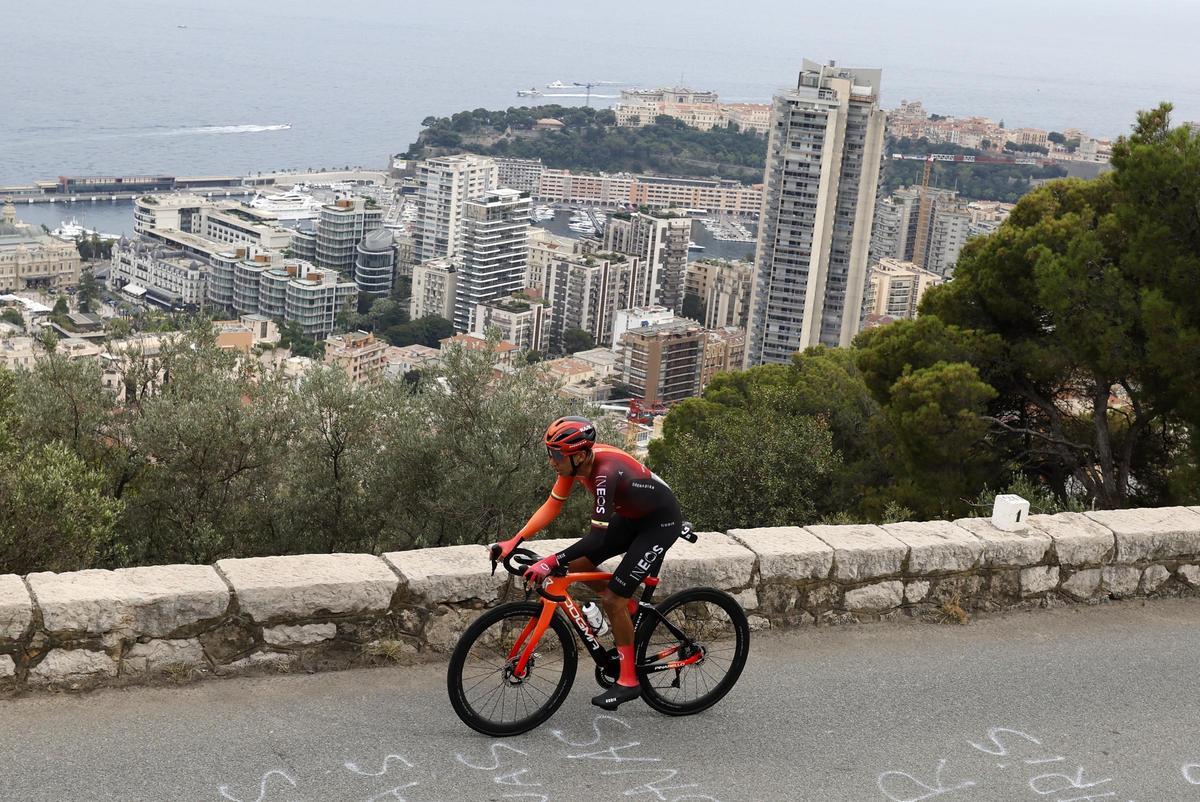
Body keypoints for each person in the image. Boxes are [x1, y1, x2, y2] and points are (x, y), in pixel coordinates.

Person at [491, 415, 683, 710]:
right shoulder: (575, 463)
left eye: (556, 455)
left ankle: (629, 681)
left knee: (612, 599)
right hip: (632, 517)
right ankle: (626, 608)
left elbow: (596, 538)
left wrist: (549, 561)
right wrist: (515, 540)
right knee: (576, 567)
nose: (552, 461)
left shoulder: (605, 473)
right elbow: (553, 505)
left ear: (579, 455)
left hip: (659, 523)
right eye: (550, 453)